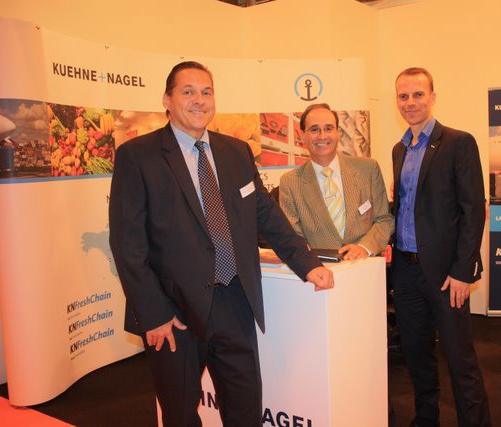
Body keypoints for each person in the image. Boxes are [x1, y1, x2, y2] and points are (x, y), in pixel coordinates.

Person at [108, 61, 334, 427]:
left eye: (206, 92)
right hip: (174, 312)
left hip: (235, 302)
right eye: (188, 92)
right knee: (180, 416)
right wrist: (154, 313)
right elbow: (127, 243)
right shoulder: (138, 156)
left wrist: (306, 263)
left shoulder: (236, 152)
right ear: (167, 100)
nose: (199, 100)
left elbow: (267, 216)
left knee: (245, 412)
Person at [391, 67, 491, 427]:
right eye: (403, 96)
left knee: (460, 360)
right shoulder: (399, 150)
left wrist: (464, 270)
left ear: (432, 97)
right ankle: (426, 418)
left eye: (418, 94)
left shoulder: (458, 142)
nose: (410, 102)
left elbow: (473, 210)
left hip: (447, 275)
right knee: (417, 355)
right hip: (406, 272)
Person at [279, 103, 393, 260]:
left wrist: (364, 247)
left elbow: (384, 219)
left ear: (337, 132)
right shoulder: (290, 182)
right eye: (314, 129)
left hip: (365, 266)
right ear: (303, 135)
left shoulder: (368, 169)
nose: (322, 136)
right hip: (320, 269)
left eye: (328, 128)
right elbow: (293, 236)